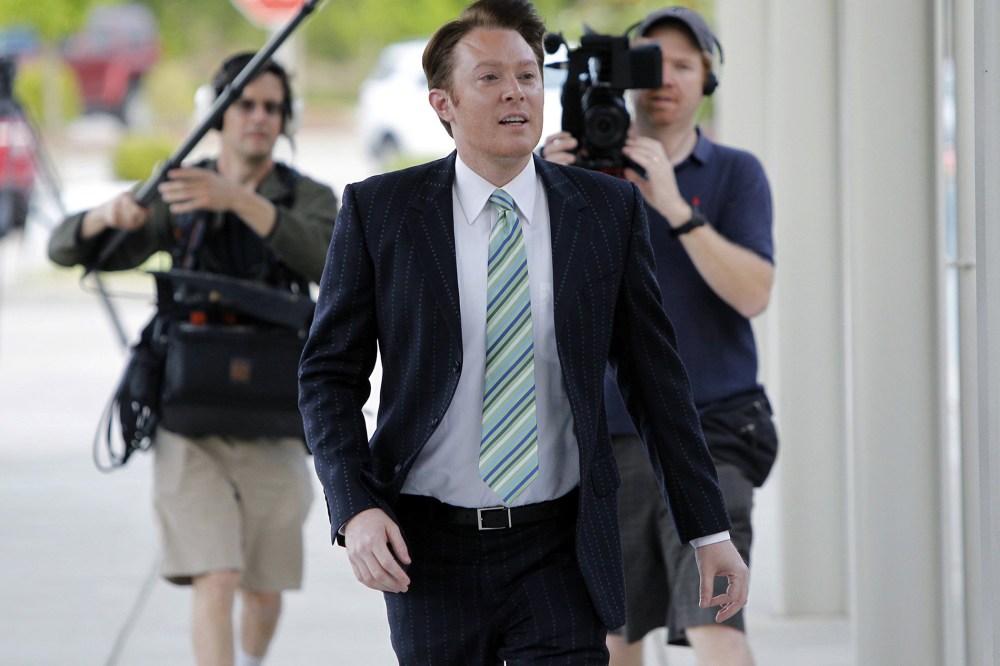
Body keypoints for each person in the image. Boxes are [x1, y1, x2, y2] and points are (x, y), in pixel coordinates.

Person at [298, 1, 748, 664]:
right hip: (429, 550)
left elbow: (657, 382)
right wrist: (353, 506)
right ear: (442, 104)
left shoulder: (606, 210)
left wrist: (708, 530)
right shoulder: (380, 211)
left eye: (529, 76)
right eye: (489, 78)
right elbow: (327, 376)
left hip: (559, 547)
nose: (515, 90)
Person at [48, 53, 338, 666]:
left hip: (276, 416)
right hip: (188, 413)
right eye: (244, 104)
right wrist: (109, 216)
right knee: (217, 575)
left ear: (285, 120)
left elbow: (328, 261)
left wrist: (237, 201)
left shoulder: (306, 196)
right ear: (218, 113)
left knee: (262, 591)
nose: (258, 117)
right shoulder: (180, 188)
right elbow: (67, 247)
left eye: (271, 107)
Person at [541, 7, 777, 665]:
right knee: (611, 636)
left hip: (714, 430)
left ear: (708, 79)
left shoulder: (734, 174)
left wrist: (673, 207)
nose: (664, 80)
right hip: (608, 436)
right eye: (648, 64)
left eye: (683, 64)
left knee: (715, 617)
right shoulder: (577, 179)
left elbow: (754, 292)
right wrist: (541, 195)